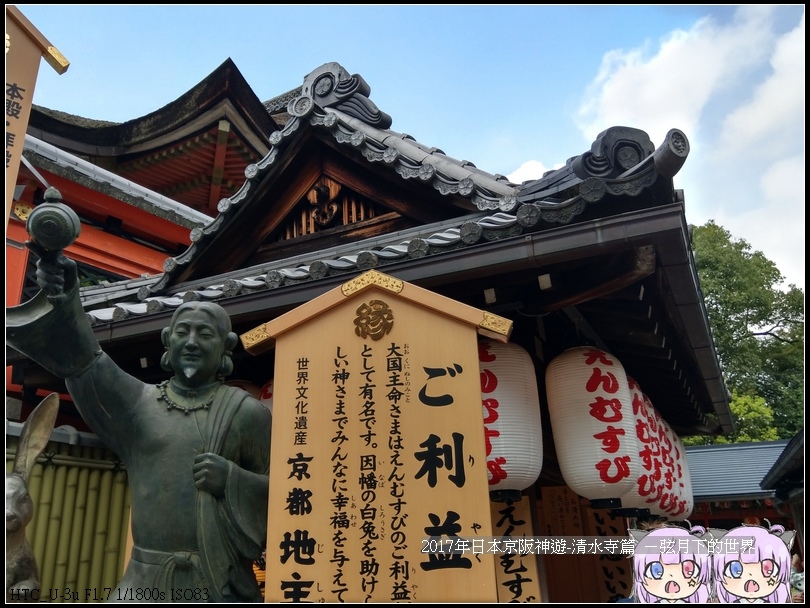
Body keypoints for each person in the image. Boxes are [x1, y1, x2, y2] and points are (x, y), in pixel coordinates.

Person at [7, 245, 272, 602]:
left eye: (205, 334)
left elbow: (281, 494)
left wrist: (233, 481)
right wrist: (65, 295)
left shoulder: (247, 413)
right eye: (183, 332)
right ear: (167, 341)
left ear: (226, 348)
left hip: (218, 579)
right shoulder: (138, 403)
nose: (192, 342)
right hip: (144, 581)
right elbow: (85, 362)